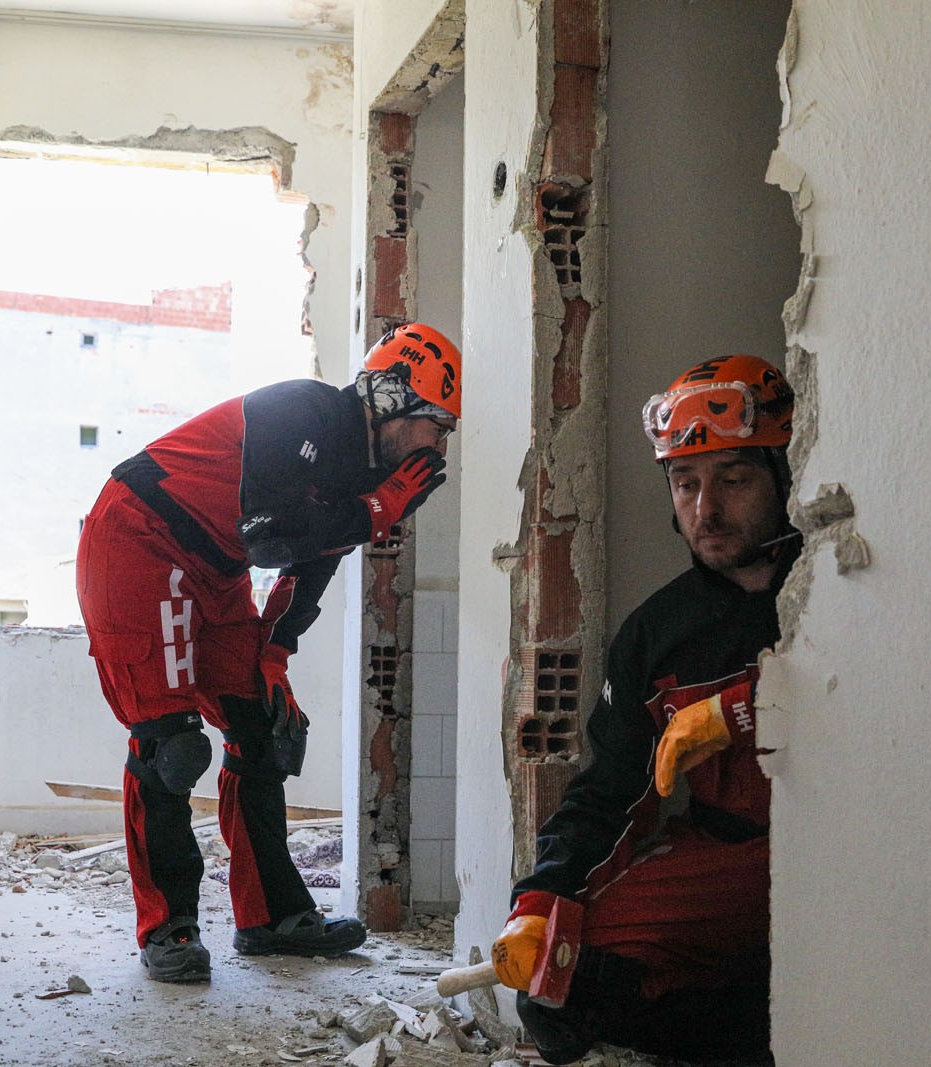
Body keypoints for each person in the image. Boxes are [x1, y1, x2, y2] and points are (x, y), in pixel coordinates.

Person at [74, 323, 461, 983]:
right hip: (140, 538)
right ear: (394, 399)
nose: (439, 445)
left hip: (213, 564)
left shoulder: (370, 471)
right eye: (437, 425)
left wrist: (274, 652)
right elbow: (270, 538)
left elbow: (311, 563)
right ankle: (167, 927)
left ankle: (271, 918)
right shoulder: (301, 411)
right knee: (171, 746)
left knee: (264, 730)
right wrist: (376, 511)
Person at [490, 354, 798, 1064]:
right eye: (686, 483)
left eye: (734, 480)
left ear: (785, 475)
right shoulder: (655, 636)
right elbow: (609, 789)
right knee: (559, 985)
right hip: (725, 856)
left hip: (844, 845)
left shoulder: (843, 581)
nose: (706, 509)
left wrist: (745, 709)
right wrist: (538, 899)